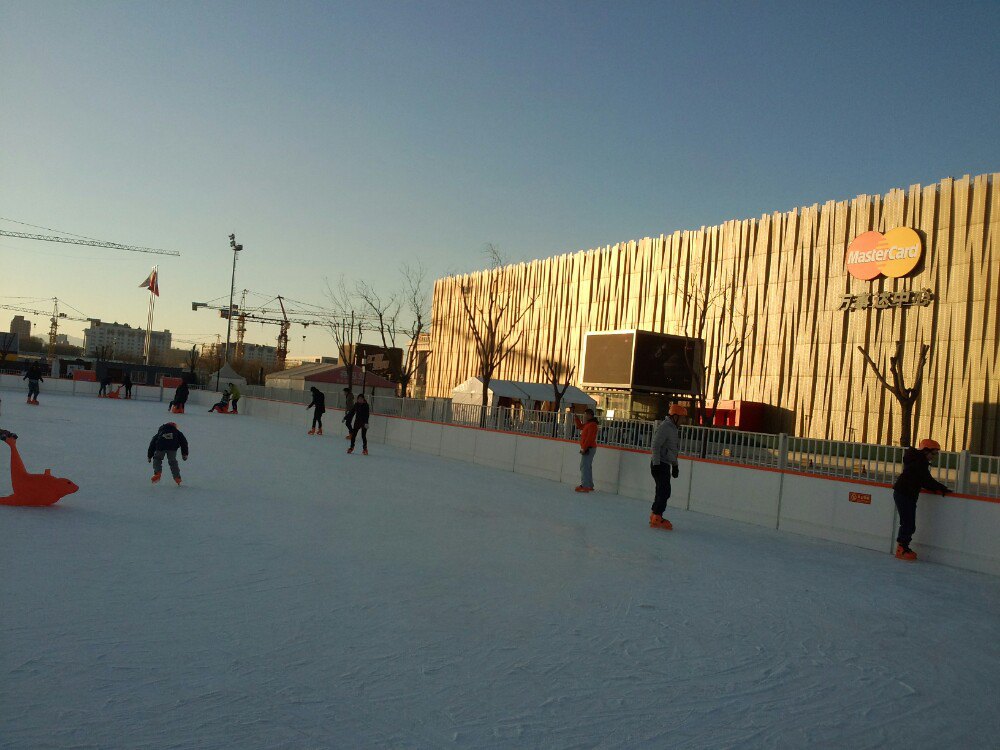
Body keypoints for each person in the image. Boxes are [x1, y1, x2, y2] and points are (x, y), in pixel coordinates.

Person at [891, 438, 950, 561]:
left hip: (904, 493)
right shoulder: (919, 463)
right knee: (908, 523)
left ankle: (903, 547)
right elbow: (926, 480)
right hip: (905, 494)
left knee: (908, 522)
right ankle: (901, 549)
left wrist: (937, 487)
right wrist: (940, 488)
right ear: (926, 451)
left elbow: (923, 480)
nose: (934, 457)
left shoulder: (917, 460)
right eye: (933, 453)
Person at [649, 404, 686, 530]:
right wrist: (656, 463)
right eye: (681, 418)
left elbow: (671, 449)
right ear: (675, 416)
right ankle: (657, 517)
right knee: (664, 491)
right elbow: (655, 445)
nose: (683, 421)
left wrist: (675, 465)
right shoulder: (665, 427)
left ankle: (655, 515)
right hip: (660, 463)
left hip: (665, 463)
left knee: (662, 490)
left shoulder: (672, 428)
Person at [574, 408, 599, 492]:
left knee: (584, 466)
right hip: (589, 447)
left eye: (585, 415)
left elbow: (589, 438)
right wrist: (576, 418)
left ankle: (585, 485)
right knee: (587, 466)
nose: (584, 416)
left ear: (589, 415)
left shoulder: (592, 425)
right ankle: (589, 485)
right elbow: (580, 426)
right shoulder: (589, 424)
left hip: (589, 448)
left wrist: (584, 448)